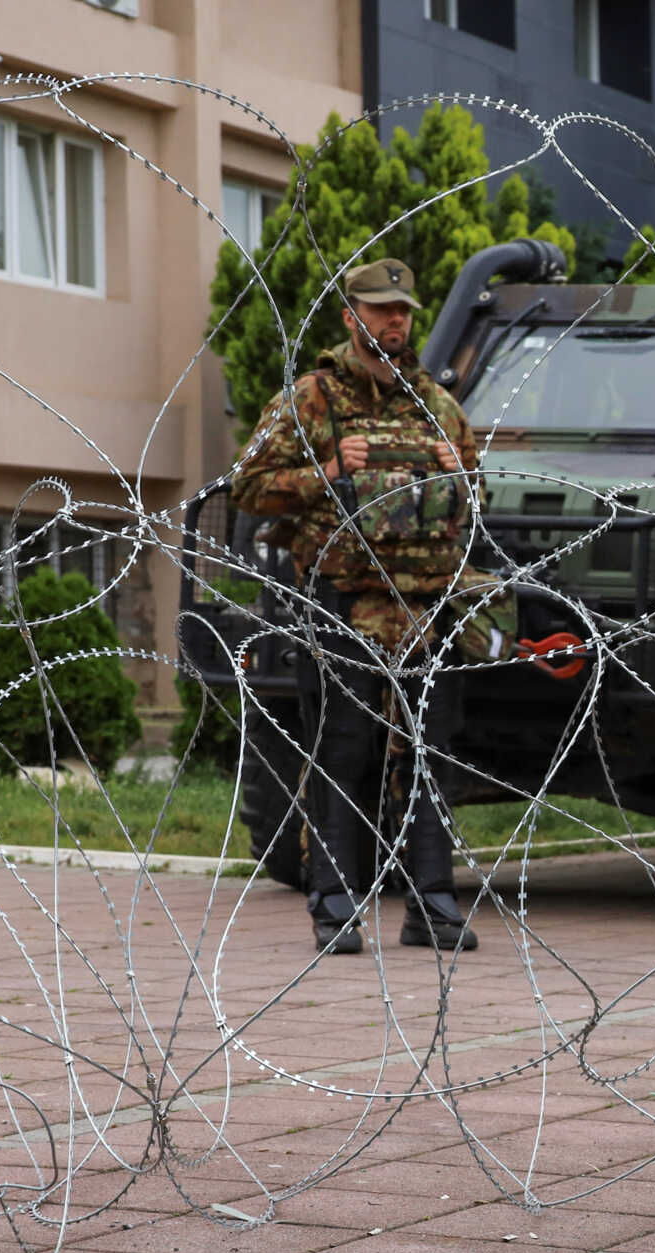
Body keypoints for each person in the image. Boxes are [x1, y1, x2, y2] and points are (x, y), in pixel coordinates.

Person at [233, 258, 482, 955]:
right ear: (352, 317)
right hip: (344, 604)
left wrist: (455, 472)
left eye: (403, 309)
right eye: (381, 310)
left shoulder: (438, 405)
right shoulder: (312, 400)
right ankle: (335, 901)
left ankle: (431, 902)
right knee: (342, 747)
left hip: (426, 607)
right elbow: (248, 487)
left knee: (430, 754)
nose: (395, 320)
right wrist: (329, 474)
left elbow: (475, 497)